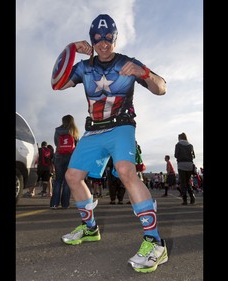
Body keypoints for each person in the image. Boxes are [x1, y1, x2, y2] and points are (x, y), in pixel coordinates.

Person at [52, 14, 168, 272]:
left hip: (121, 126)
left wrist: (144, 72)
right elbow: (56, 84)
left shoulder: (128, 62)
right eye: (98, 38)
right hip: (93, 130)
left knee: (126, 172)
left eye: (108, 38)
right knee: (72, 177)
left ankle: (156, 243)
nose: (103, 43)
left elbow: (161, 88)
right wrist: (70, 50)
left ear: (115, 39)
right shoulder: (83, 67)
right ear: (92, 39)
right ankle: (90, 228)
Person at [50, 115, 79, 209]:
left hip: (59, 156)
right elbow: (77, 145)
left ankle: (54, 204)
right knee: (67, 181)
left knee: (58, 180)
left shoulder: (57, 130)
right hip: (70, 157)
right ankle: (65, 204)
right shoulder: (74, 130)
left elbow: (56, 143)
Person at [174, 132, 196, 205]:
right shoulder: (190, 145)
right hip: (189, 165)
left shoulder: (178, 145)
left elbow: (176, 155)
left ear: (180, 138)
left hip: (181, 165)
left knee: (183, 182)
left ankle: (185, 200)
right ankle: (192, 196)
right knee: (188, 181)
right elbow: (193, 156)